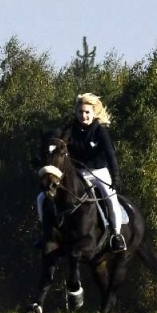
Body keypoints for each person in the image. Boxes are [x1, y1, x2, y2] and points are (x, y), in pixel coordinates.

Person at [62, 92, 127, 252]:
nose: (83, 116)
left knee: (111, 200)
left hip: (99, 173)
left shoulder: (100, 131)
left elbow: (110, 155)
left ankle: (116, 235)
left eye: (87, 112)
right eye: (80, 112)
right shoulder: (70, 129)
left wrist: (116, 177)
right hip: (79, 174)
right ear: (76, 113)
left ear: (93, 113)